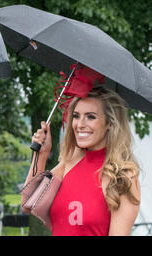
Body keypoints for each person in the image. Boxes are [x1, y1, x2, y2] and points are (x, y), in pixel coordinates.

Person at [23, 85, 141, 236]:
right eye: (76, 116)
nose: (80, 124)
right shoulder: (70, 162)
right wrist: (41, 155)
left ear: (110, 123)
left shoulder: (124, 176)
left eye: (91, 116)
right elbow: (28, 204)